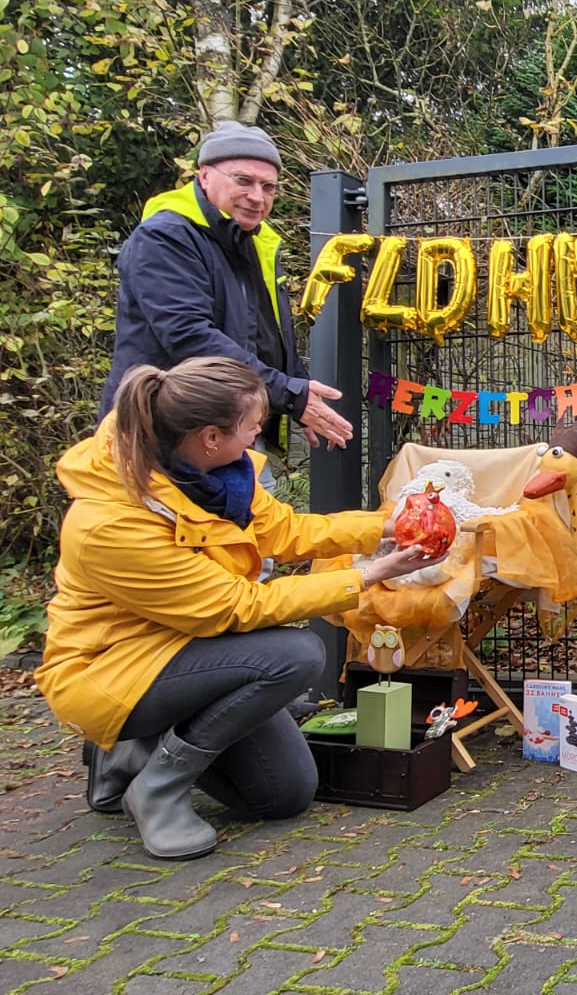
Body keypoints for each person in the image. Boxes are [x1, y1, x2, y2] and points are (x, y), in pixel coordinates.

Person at [36, 357, 438, 861]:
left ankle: (132, 751)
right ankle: (156, 787)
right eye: (252, 427)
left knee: (282, 794)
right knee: (295, 655)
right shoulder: (109, 524)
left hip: (192, 648)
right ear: (210, 436)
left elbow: (287, 532)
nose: (256, 437)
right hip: (116, 670)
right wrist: (369, 574)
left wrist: (386, 527)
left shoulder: (220, 475)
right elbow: (237, 607)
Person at [100, 120, 353, 459]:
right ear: (204, 175)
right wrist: (291, 394)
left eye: (269, 187)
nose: (256, 197)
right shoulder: (165, 237)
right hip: (163, 437)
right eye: (243, 181)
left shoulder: (254, 243)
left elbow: (266, 335)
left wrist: (301, 391)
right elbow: (190, 338)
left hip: (232, 432)